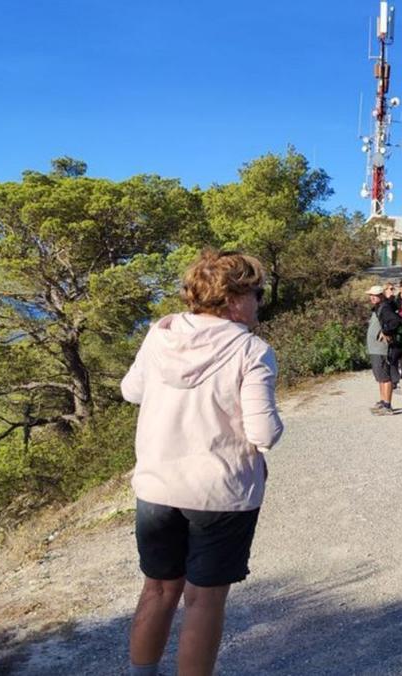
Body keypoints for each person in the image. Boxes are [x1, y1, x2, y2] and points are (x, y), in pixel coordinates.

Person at [120, 250, 283, 676]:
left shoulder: (161, 333)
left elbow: (131, 391)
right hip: (220, 492)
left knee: (157, 590)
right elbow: (263, 433)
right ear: (232, 299)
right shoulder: (252, 350)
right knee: (203, 600)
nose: (259, 302)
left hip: (156, 485)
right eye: (255, 293)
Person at [366, 284, 402, 415]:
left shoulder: (384, 308)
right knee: (380, 376)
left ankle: (387, 405)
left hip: (381, 349)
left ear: (381, 296)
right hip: (376, 349)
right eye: (371, 295)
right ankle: (383, 402)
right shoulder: (379, 307)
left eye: (375, 295)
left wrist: (385, 331)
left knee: (385, 377)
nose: (372, 297)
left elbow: (395, 321)